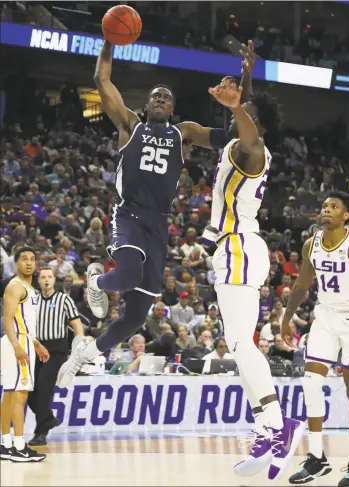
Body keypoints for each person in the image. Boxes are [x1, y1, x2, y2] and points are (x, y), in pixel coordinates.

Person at [57, 40, 256, 388]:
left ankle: (85, 353)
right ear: (146, 105)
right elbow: (102, 80)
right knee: (129, 271)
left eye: (167, 98)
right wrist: (108, 40)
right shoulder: (129, 125)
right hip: (129, 213)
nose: (162, 100)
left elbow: (236, 135)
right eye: (156, 97)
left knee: (134, 317)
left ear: (173, 107)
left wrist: (244, 84)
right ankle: (95, 282)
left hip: (159, 224)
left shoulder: (185, 134)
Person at [200, 77, 304, 480]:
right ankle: (266, 425)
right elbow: (205, 130)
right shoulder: (234, 143)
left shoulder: (255, 151)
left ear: (254, 124)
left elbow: (248, 134)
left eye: (246, 114)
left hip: (239, 245)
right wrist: (243, 83)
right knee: (241, 344)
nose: (237, 116)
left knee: (242, 342)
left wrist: (237, 106)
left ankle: (279, 425)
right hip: (234, 250)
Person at [282, 192, 349, 486]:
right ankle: (316, 458)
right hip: (325, 317)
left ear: (346, 216)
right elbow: (302, 283)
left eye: (334, 207)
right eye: (324, 206)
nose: (326, 210)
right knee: (311, 382)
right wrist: (286, 317)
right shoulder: (311, 244)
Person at [0, 247, 49, 462]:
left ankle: (5, 443)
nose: (29, 263)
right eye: (24, 259)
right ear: (16, 264)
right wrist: (17, 345)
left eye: (32, 259)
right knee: (20, 394)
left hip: (24, 340)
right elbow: (8, 319)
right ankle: (19, 447)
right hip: (16, 341)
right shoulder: (15, 286)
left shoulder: (30, 290)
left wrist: (36, 343)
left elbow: (25, 321)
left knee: (11, 394)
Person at [27, 267, 84, 446]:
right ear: (38, 281)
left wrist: (78, 346)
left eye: (49, 277)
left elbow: (77, 324)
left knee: (44, 389)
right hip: (35, 349)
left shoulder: (64, 299)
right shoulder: (32, 300)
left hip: (56, 350)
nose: (46, 280)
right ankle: (49, 419)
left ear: (54, 280)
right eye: (43, 277)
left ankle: (40, 433)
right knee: (30, 393)